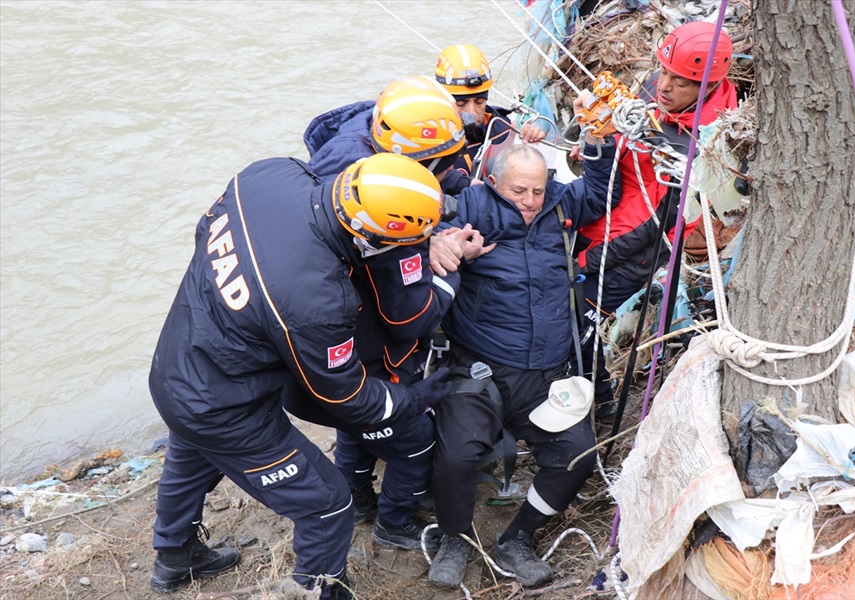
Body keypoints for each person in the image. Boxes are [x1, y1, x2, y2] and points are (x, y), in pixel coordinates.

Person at [148, 153, 463, 599]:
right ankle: (321, 590)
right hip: (226, 407)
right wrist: (412, 400)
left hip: (176, 361)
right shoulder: (318, 300)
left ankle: (174, 558)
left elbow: (204, 233)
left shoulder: (269, 174)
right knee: (329, 505)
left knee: (188, 456)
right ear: (371, 239)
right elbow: (345, 394)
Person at [425, 134, 620, 588]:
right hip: (480, 369)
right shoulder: (472, 204)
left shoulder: (559, 204)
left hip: (547, 372)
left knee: (576, 454)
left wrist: (599, 143)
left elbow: (600, 190)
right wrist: (438, 244)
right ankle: (454, 538)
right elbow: (429, 224)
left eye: (537, 189)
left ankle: (518, 538)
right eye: (518, 191)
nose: (530, 201)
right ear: (494, 182)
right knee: (455, 457)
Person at [302, 75, 487, 551]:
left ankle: (359, 498)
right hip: (368, 340)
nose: (446, 174)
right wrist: (446, 262)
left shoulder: (358, 149)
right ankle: (394, 523)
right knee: (412, 436)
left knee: (354, 426)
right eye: (438, 167)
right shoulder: (389, 227)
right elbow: (411, 316)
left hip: (333, 337)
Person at [574, 22, 737, 415]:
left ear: (708, 86)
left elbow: (659, 229)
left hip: (630, 251)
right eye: (662, 71)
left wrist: (590, 261)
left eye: (679, 81)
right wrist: (592, 134)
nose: (663, 86)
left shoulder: (705, 142)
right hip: (604, 216)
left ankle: (600, 406)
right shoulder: (657, 94)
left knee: (578, 326)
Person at [304, 75, 467, 190]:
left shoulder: (381, 130)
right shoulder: (359, 180)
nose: (452, 166)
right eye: (445, 165)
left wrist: (462, 183)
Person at [434, 43, 547, 193]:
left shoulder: (504, 129)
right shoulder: (424, 135)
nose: (472, 112)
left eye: (479, 102)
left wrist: (529, 142)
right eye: (461, 104)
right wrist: (465, 184)